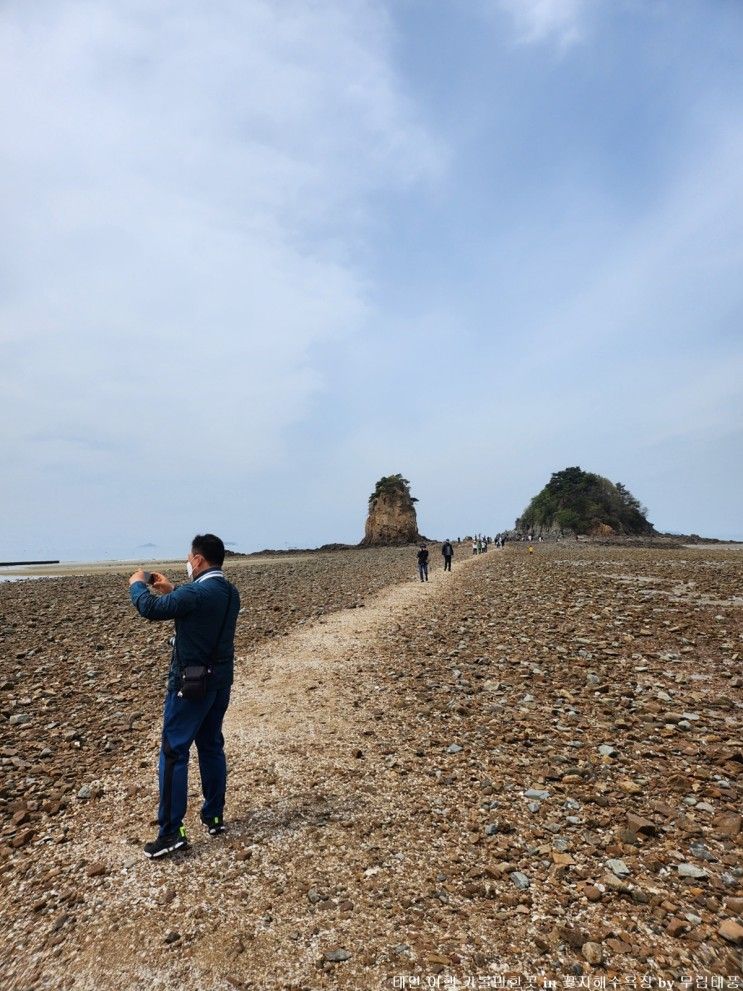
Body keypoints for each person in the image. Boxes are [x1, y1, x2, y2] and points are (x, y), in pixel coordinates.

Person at [128, 534, 240, 859]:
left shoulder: (196, 593)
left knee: (174, 752)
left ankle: (170, 832)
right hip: (219, 683)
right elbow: (199, 609)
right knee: (210, 745)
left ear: (199, 560)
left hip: (190, 685)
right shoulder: (229, 593)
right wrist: (172, 590)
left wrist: (138, 585)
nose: (188, 563)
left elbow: (148, 609)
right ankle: (214, 816)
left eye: (190, 558)